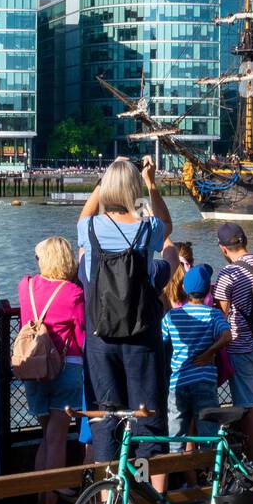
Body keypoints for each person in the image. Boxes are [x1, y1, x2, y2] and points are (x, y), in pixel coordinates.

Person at [76, 157, 174, 477]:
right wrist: (149, 183)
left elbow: (85, 213)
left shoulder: (88, 228)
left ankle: (110, 497)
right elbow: (165, 224)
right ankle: (145, 495)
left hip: (100, 340)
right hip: (141, 337)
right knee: (147, 420)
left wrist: (103, 181)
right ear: (133, 192)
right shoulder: (147, 228)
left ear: (106, 189)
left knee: (106, 419)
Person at [17, 236, 86, 504]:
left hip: (33, 367)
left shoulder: (26, 286)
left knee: (45, 438)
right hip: (66, 368)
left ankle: (39, 499)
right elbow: (81, 337)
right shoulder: (73, 293)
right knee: (57, 438)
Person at [213, 221, 253, 460]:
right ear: (245, 240)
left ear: (222, 248)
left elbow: (221, 314)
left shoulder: (228, 273)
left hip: (242, 348)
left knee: (248, 410)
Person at [160, 265, 231, 456]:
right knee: (208, 437)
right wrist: (210, 352)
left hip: (178, 382)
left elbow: (160, 342)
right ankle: (210, 479)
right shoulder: (213, 314)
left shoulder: (172, 316)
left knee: (175, 439)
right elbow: (227, 336)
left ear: (183, 288)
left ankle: (174, 476)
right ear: (209, 290)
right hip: (205, 380)